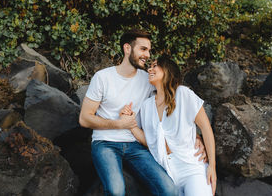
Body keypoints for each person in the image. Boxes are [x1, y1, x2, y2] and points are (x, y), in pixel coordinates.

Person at [79, 29, 207, 196]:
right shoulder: (103, 77)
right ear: (127, 48)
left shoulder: (147, 79)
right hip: (106, 143)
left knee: (169, 190)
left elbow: (172, 104)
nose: (147, 55)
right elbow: (84, 118)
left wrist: (195, 136)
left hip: (136, 145)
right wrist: (119, 124)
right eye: (143, 49)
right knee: (116, 191)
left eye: (148, 50)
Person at [120, 55, 217, 196]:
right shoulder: (147, 106)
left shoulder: (183, 94)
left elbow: (206, 128)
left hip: (192, 169)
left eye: (155, 65)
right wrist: (130, 124)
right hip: (166, 174)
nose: (150, 69)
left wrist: (212, 167)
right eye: (149, 66)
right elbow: (151, 142)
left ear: (167, 70)